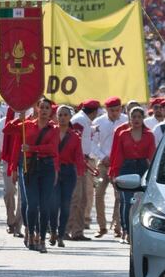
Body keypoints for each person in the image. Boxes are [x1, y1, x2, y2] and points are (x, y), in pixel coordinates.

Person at [5, 98, 59, 253]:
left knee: (44, 204)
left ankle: (42, 239)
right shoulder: (27, 125)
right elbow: (7, 130)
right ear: (36, 109)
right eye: (42, 107)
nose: (44, 110)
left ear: (51, 111)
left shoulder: (54, 129)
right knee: (32, 203)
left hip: (47, 167)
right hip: (30, 167)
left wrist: (32, 148)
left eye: (47, 108)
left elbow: (52, 148)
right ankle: (30, 232)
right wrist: (19, 118)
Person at [109, 107, 156, 244]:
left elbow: (152, 156)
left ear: (143, 118)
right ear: (129, 119)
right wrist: (114, 174)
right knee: (127, 200)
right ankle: (126, 231)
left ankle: (140, 231)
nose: (136, 119)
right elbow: (118, 155)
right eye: (133, 117)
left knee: (141, 202)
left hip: (142, 168)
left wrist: (153, 174)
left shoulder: (149, 135)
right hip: (126, 168)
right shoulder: (123, 134)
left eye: (139, 117)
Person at [92, 96, 128, 239]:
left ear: (121, 109)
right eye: (112, 110)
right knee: (99, 193)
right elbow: (92, 143)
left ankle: (118, 226)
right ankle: (102, 226)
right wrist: (102, 157)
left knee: (119, 195)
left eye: (117, 110)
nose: (115, 113)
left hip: (120, 164)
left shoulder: (126, 121)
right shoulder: (98, 122)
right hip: (103, 163)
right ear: (107, 110)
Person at [49, 105, 83, 248]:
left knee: (65, 205)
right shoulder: (50, 132)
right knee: (53, 204)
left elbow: (79, 157)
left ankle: (61, 234)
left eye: (65, 115)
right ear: (56, 117)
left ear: (70, 117)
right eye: (60, 115)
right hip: (53, 171)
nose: (62, 118)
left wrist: (80, 173)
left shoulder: (75, 136)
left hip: (69, 173)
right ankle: (52, 231)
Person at [67, 99, 101, 241]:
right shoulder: (80, 120)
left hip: (83, 161)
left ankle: (77, 231)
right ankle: (67, 229)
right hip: (77, 161)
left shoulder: (83, 120)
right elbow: (74, 140)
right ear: (94, 112)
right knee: (76, 198)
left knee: (82, 199)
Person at [0, 108, 23, 236]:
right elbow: (0, 141)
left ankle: (18, 225)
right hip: (8, 159)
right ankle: (10, 219)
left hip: (24, 159)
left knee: (22, 195)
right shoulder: (3, 121)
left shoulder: (30, 116)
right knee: (9, 191)